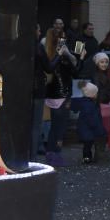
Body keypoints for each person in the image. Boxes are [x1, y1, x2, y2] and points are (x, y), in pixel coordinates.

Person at [42, 29, 78, 166]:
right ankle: (55, 154)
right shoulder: (62, 58)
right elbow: (76, 72)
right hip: (63, 95)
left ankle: (50, 153)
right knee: (60, 128)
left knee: (54, 127)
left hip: (51, 96)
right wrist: (74, 56)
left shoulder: (46, 54)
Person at [32, 24, 52, 160]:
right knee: (36, 124)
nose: (40, 32)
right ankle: (31, 156)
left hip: (26, 89)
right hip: (37, 89)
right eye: (38, 30)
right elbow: (49, 68)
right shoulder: (38, 47)